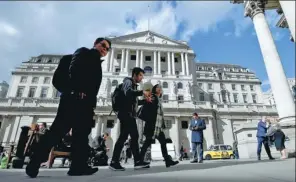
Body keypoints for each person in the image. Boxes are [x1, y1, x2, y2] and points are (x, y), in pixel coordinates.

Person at [26, 37, 111, 178]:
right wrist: (74, 91)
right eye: (103, 45)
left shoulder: (96, 62)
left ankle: (78, 167)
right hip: (74, 101)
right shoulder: (84, 53)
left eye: (107, 49)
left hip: (85, 105)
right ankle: (34, 162)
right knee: (57, 132)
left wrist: (91, 105)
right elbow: (73, 72)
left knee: (81, 136)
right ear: (95, 44)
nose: (105, 49)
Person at [109, 67, 151, 171]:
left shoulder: (133, 86)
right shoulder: (128, 81)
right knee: (130, 137)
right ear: (135, 75)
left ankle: (130, 161)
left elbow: (134, 102)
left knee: (127, 137)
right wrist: (142, 92)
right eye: (141, 75)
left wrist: (145, 101)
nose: (142, 78)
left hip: (128, 114)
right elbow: (128, 92)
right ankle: (132, 161)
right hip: (125, 114)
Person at [138, 84, 179, 168]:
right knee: (147, 142)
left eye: (160, 88)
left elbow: (159, 114)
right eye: (158, 87)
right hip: (152, 125)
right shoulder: (153, 97)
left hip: (157, 126)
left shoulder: (158, 99)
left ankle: (167, 160)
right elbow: (149, 106)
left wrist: (162, 124)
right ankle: (140, 160)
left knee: (162, 142)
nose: (160, 88)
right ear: (154, 89)